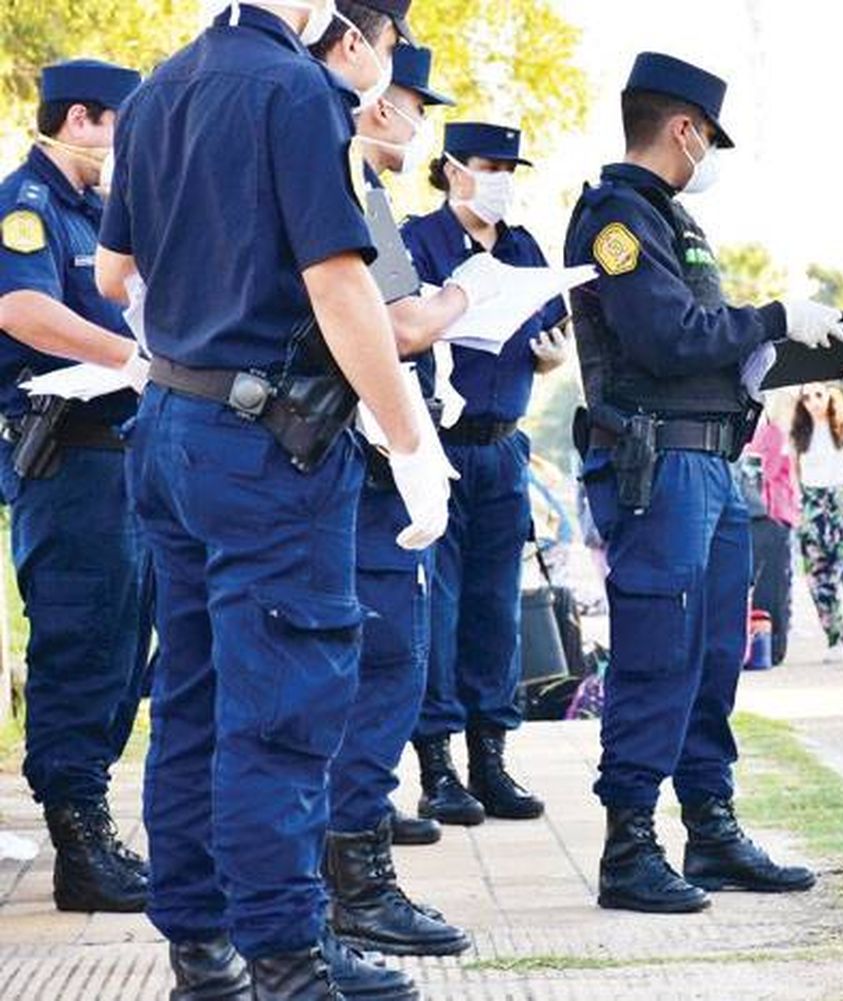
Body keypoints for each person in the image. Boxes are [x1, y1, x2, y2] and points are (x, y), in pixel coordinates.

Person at [95, 2, 452, 997]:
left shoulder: (162, 84)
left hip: (175, 423)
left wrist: (197, 308)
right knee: (281, 707)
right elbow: (341, 289)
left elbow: (114, 269)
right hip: (265, 443)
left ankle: (204, 954)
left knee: (196, 700)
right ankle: (288, 956)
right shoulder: (296, 87)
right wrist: (411, 442)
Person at [564, 51, 842, 914]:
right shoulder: (615, 218)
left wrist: (760, 360)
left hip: (713, 463)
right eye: (710, 138)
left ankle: (709, 826)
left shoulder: (671, 220)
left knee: (716, 654)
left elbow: (700, 343)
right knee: (659, 653)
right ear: (684, 128)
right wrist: (768, 319)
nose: (710, 154)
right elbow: (666, 335)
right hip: (662, 465)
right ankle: (630, 844)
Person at [308, 18, 473, 959]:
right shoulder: (346, 170)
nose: (413, 123)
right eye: (410, 104)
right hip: (359, 462)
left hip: (321, 452)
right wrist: (462, 296)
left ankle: (339, 873)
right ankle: (352, 881)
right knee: (382, 668)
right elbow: (401, 324)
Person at [0, 58, 152, 915]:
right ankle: (77, 842)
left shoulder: (99, 214)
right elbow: (20, 310)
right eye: (122, 127)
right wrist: (128, 356)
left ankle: (93, 822)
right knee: (80, 642)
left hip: (121, 454)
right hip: (67, 455)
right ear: (84, 120)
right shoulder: (26, 207)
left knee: (123, 649)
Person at [401, 119, 571, 828]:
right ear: (450, 169)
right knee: (436, 608)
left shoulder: (525, 245)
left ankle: (490, 757)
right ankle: (438, 766)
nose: (501, 178)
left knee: (494, 608)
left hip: (504, 446)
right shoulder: (419, 240)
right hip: (438, 445)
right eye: (487, 164)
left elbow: (552, 322)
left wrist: (554, 356)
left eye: (511, 166)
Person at [789, 383, 843, 662]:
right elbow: (793, 472)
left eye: (818, 395)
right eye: (806, 398)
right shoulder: (799, 433)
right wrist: (800, 503)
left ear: (830, 395)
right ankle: (835, 639)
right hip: (814, 505)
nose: (813, 402)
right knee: (819, 576)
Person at [742, 392, 799, 665]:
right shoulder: (773, 433)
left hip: (767, 514)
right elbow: (772, 472)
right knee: (774, 584)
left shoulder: (767, 433)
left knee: (766, 584)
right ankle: (771, 645)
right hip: (772, 514)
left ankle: (769, 644)